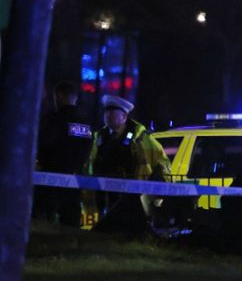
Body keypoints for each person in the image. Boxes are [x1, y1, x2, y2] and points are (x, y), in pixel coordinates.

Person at [87, 94, 171, 226]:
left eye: (112, 112)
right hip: (104, 192)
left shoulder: (140, 138)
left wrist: (160, 188)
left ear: (124, 117)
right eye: (106, 112)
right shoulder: (99, 137)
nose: (108, 115)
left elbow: (161, 161)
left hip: (131, 192)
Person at [35, 80, 93, 225]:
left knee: (42, 222)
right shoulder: (85, 123)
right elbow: (87, 150)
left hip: (50, 179)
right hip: (74, 181)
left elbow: (42, 144)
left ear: (59, 96)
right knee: (71, 222)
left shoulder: (52, 120)